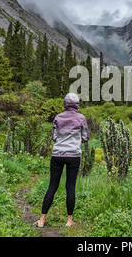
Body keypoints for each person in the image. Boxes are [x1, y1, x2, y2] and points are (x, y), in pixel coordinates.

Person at [36, 93, 89, 228]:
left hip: (57, 155)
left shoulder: (58, 117)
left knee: (52, 186)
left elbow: (54, 137)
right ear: (77, 104)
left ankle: (42, 220)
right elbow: (86, 137)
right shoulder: (81, 118)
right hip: (73, 156)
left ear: (65, 103)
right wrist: (75, 141)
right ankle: (69, 221)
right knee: (70, 187)